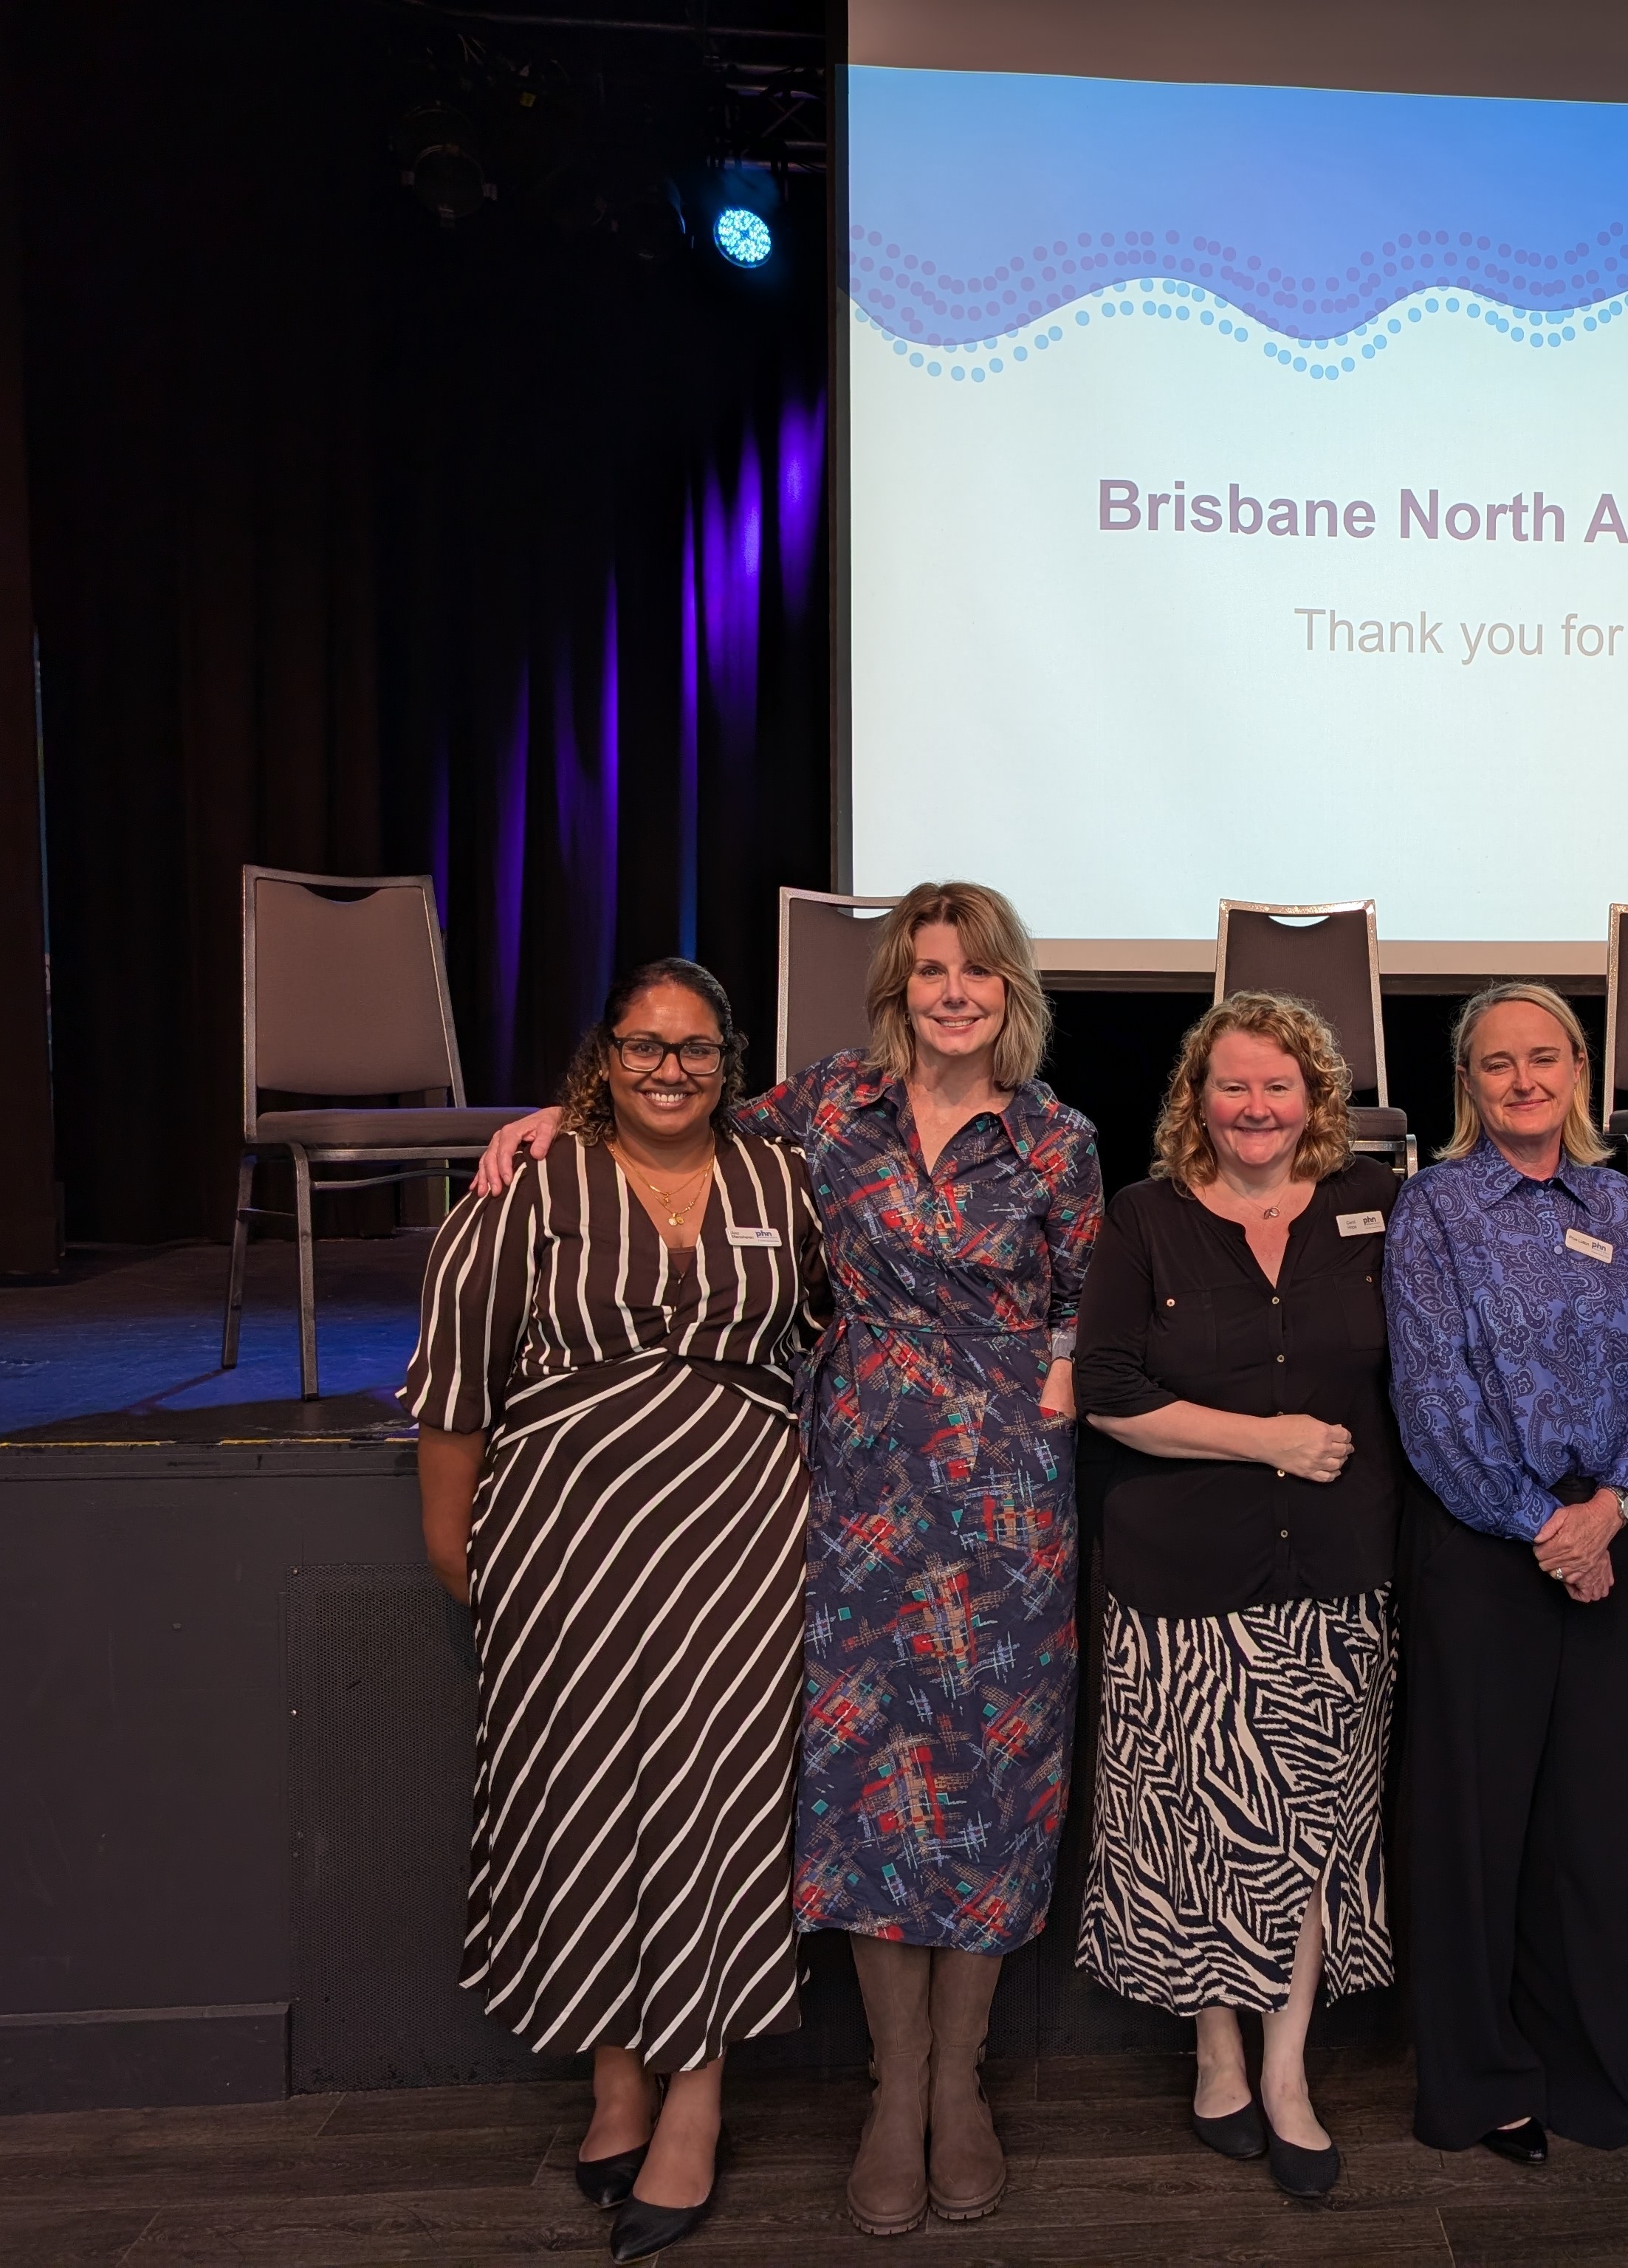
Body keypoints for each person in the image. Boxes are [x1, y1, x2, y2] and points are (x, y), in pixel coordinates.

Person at [478, 882, 1101, 2238]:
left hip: (1005, 1498)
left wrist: (1051, 1384)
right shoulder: (827, 1107)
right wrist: (555, 1120)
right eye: (929, 969)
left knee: (993, 1781)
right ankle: (893, 2088)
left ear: (1011, 990)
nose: (952, 993)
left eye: (977, 971)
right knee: (873, 1783)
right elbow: (674, 1113)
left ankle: (960, 2088)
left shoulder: (1059, 1139)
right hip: (861, 1484)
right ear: (897, 988)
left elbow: (1080, 1302)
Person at [408, 957, 828, 2265]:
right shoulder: (527, 1188)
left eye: (696, 1049)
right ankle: (614, 2081)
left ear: (729, 1063)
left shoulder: (782, 1181)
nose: (669, 1070)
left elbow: (835, 1331)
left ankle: (695, 2094)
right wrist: (454, 1551)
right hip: (564, 1540)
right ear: (605, 1058)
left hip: (741, 1541)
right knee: (583, 1794)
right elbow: (456, 1385)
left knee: (720, 1801)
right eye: (645, 1046)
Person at [1071, 992, 1404, 2202]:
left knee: (1309, 1828)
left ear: (1315, 1098)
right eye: (1232, 1085)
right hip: (1179, 1579)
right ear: (1195, 1100)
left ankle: (1287, 2072)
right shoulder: (1144, 1217)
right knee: (1200, 1828)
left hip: (1337, 1573)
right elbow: (1105, 1386)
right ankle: (1215, 2052)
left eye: (1279, 1085)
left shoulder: (1379, 1205)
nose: (1255, 1107)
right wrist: (1266, 1439)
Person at [1385, 981, 1628, 2163]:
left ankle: (1585, 2074)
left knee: (1590, 1833)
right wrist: (1547, 1531)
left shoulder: (1621, 1203)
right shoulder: (1434, 1206)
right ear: (1468, 1081)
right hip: (1483, 1546)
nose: (1525, 1081)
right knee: (1475, 1835)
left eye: (1546, 1058)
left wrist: (1609, 1510)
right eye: (1499, 1063)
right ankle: (1480, 2084)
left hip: (1609, 1536)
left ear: (1578, 1072)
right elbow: (1433, 1396)